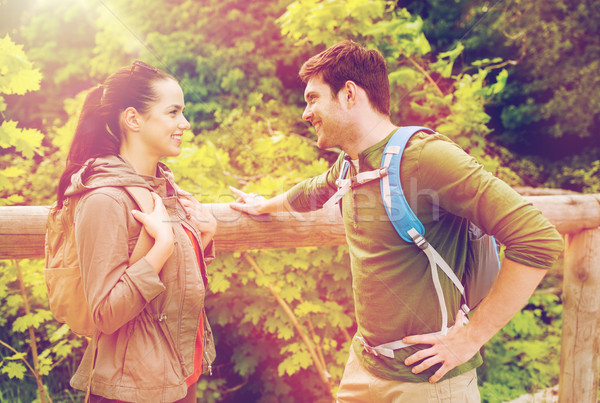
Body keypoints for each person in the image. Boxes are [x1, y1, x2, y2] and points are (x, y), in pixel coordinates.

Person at [230, 41, 564, 401]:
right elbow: (314, 190)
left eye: (313, 98)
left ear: (349, 95)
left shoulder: (425, 157)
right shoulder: (350, 166)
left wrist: (470, 338)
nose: (305, 112)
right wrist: (267, 205)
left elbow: (538, 238)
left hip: (428, 382)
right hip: (364, 366)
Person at [54, 61, 217, 402]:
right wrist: (161, 249)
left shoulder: (162, 189)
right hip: (131, 389)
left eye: (182, 112)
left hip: (177, 376)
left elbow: (172, 288)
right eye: (173, 112)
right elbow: (105, 313)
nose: (184, 124)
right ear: (133, 119)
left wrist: (203, 235)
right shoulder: (105, 199)